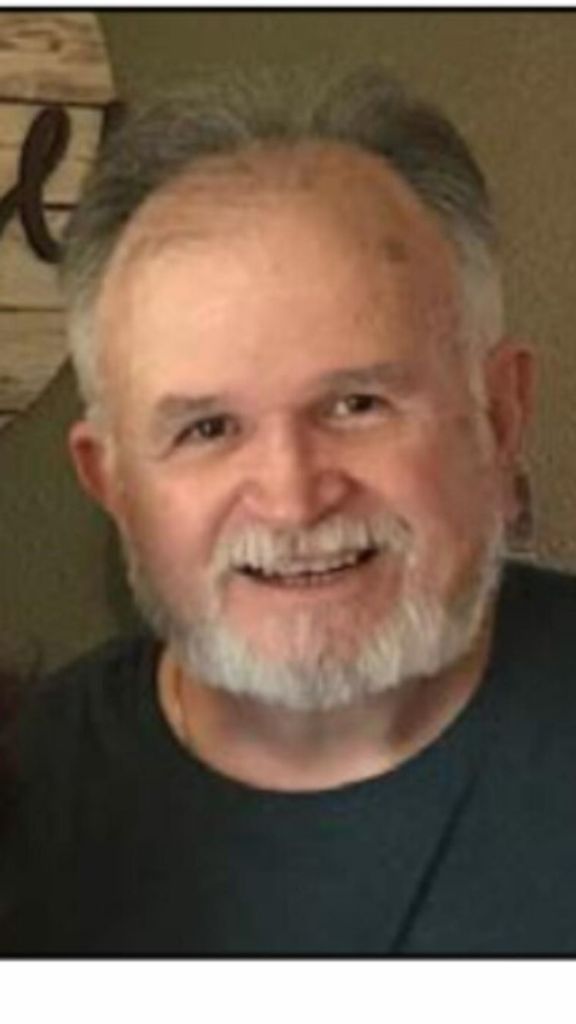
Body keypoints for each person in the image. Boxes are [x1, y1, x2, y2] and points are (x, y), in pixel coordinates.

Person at [2, 69, 576, 956]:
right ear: (109, 481)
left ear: (499, 415)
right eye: (207, 428)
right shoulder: (22, 802)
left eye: (357, 405)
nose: (293, 497)